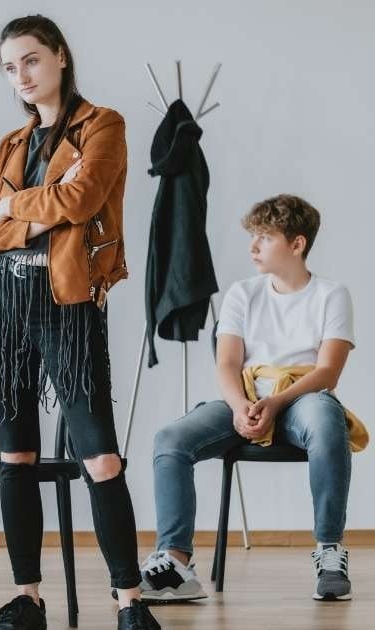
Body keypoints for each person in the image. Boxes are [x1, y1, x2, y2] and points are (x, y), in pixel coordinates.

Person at [0, 15, 159, 630]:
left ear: (60, 58)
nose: (20, 76)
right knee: (15, 457)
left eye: (30, 61)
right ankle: (29, 598)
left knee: (99, 456)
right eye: (9, 67)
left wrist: (11, 207)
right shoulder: (10, 144)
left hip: (67, 307)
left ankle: (129, 602)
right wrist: (34, 214)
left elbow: (82, 199)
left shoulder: (103, 125)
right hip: (2, 309)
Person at [145, 194, 363, 603]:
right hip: (243, 397)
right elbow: (226, 363)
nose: (253, 246)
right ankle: (175, 563)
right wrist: (240, 406)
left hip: (302, 397)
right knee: (169, 440)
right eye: (254, 236)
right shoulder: (243, 293)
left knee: (325, 421)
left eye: (264, 237)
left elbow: (327, 372)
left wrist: (276, 404)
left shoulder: (332, 294)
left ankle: (329, 550)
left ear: (297, 244)